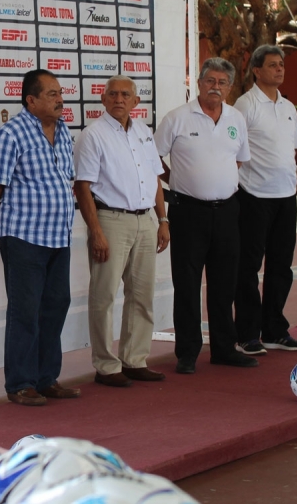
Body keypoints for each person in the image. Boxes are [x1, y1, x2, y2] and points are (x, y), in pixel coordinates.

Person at [0, 69, 81, 406]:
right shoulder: (10, 134)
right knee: (25, 310)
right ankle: (21, 383)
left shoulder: (65, 132)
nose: (60, 99)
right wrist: (9, 214)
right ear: (31, 100)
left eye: (60, 93)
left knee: (55, 306)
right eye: (52, 94)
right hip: (24, 237)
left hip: (59, 236)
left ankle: (46, 378)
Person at [153, 57, 257, 373]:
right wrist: (181, 180)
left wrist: (217, 182)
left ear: (229, 87)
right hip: (187, 212)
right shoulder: (177, 118)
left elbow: (238, 160)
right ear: (198, 83)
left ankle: (225, 348)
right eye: (210, 81)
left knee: (225, 283)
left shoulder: (236, 118)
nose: (215, 87)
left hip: (228, 211)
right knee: (186, 283)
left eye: (222, 82)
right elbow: (152, 158)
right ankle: (187, 352)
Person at [74, 75, 170, 388]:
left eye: (125, 94)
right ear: (103, 100)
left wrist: (163, 220)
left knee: (142, 296)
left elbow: (156, 179)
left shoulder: (143, 132)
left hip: (146, 221)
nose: (118, 99)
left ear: (135, 102)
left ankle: (135, 360)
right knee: (103, 297)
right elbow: (83, 186)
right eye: (112, 94)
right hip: (110, 221)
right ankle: (105, 365)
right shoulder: (93, 134)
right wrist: (96, 231)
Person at [234, 45, 297, 355]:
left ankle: (275, 330)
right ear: (256, 70)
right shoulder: (245, 105)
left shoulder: (288, 107)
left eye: (281, 65)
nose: (279, 69)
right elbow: (234, 152)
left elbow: (292, 150)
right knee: (248, 268)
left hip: (286, 197)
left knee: (281, 267)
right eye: (273, 65)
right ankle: (247, 334)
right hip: (253, 197)